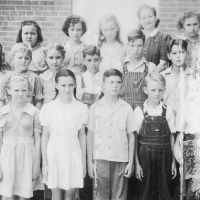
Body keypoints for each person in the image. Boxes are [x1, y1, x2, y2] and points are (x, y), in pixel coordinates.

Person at [87, 68, 135, 200]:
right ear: (103, 85)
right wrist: (90, 162)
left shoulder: (126, 108)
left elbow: (131, 136)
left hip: (120, 158)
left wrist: (130, 162)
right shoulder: (95, 108)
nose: (115, 85)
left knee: (119, 196)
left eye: (118, 82)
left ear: (122, 85)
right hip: (100, 158)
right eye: (111, 82)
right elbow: (90, 135)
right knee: (100, 196)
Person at [40, 69, 88, 200]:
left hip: (74, 153)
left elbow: (82, 135)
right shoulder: (48, 108)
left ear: (75, 85)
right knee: (56, 194)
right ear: (56, 86)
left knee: (70, 195)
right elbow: (45, 136)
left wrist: (83, 163)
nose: (67, 89)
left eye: (71, 85)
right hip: (54, 154)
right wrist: (45, 163)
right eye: (63, 85)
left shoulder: (81, 107)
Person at [134, 72, 177, 200]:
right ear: (145, 90)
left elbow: (171, 137)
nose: (157, 93)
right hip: (144, 157)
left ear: (164, 90)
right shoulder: (139, 111)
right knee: (145, 191)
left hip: (165, 156)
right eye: (153, 90)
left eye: (160, 90)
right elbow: (135, 139)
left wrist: (173, 162)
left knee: (164, 191)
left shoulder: (167, 110)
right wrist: (137, 164)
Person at [0, 74, 42, 199]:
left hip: (27, 156)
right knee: (8, 195)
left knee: (24, 195)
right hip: (7, 157)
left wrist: (36, 165)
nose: (20, 94)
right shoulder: (2, 112)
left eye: (24, 90)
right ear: (8, 91)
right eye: (16, 90)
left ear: (29, 91)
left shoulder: (34, 112)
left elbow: (38, 139)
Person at [121, 29, 156, 110]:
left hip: (143, 111)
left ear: (144, 46)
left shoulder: (150, 67)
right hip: (124, 111)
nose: (136, 49)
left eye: (139, 45)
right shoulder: (120, 66)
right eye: (132, 45)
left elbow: (155, 92)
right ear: (127, 45)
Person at [0, 43, 43, 109]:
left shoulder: (35, 78)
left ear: (30, 60)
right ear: (12, 59)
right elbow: (1, 100)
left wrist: (36, 117)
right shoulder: (6, 78)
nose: (23, 61)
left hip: (28, 115)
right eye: (20, 58)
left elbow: (38, 101)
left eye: (27, 58)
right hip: (10, 115)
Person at [137, 4, 171, 72]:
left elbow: (163, 64)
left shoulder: (164, 37)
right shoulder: (137, 37)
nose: (147, 20)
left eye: (150, 16)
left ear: (155, 18)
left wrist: (149, 76)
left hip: (156, 77)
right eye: (144, 18)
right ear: (140, 21)